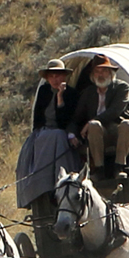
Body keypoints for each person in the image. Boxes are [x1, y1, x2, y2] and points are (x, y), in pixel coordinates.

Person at [15, 58, 79, 243]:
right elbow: (38, 120)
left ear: (64, 77)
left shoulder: (71, 94)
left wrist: (60, 98)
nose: (55, 79)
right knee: (37, 143)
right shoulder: (43, 92)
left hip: (62, 132)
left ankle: (59, 179)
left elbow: (65, 121)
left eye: (58, 75)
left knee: (57, 136)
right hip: (44, 133)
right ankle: (40, 182)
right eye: (52, 76)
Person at [68, 53, 129, 176]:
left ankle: (119, 167)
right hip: (97, 134)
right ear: (92, 75)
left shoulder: (121, 88)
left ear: (111, 73)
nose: (100, 75)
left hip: (118, 130)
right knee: (94, 125)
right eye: (97, 71)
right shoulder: (88, 93)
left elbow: (115, 111)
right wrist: (71, 134)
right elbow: (76, 117)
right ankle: (99, 169)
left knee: (127, 124)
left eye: (104, 71)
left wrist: (90, 123)